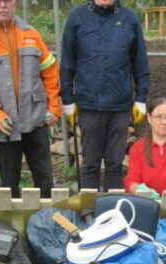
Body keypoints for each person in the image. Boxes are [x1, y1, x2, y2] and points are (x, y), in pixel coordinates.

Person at [0, 0, 60, 198]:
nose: (2, 5)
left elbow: (50, 73)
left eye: (7, 0)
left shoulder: (32, 35)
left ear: (14, 3)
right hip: (4, 125)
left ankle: (47, 224)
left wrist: (53, 109)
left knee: (45, 181)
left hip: (36, 121)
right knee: (8, 187)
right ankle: (11, 227)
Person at [60, 0, 150, 191]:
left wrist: (140, 98)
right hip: (88, 104)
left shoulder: (129, 18)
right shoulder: (77, 17)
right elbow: (67, 62)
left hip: (119, 106)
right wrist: (68, 100)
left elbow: (140, 62)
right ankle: (89, 213)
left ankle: (112, 214)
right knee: (90, 165)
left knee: (115, 165)